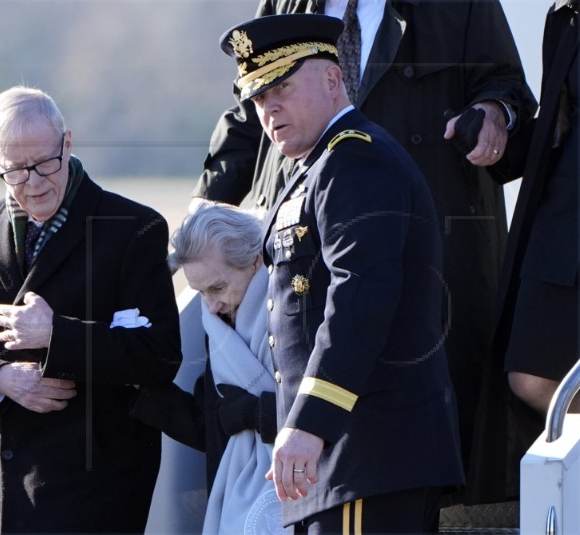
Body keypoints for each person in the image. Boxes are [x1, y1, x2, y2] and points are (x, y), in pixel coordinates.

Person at [193, 0, 537, 503]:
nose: (271, 101)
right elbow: (251, 109)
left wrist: (492, 115)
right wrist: (205, 209)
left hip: (428, 244)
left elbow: (508, 86)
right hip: (299, 248)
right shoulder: (289, 7)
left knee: (410, 425)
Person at [217, 14, 465, 532]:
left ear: (332, 79)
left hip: (368, 452)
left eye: (282, 87)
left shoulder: (353, 161)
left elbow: (362, 295)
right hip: (343, 460)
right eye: (259, 98)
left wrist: (310, 422)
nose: (270, 108)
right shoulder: (316, 167)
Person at [0, 86, 182, 534]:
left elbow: (159, 356)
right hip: (3, 500)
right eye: (16, 171)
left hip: (96, 499)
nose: (35, 181)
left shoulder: (134, 229)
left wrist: (56, 335)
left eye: (45, 163)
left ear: (67, 142)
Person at [470, 0, 580, 499]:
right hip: (562, 220)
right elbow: (561, 122)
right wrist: (499, 132)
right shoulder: (566, 14)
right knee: (531, 376)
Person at [132, 202, 288, 534]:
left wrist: (257, 412)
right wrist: (140, 389)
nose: (211, 305)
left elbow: (337, 414)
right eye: (201, 292)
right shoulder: (218, 322)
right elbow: (216, 426)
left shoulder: (297, 313)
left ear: (255, 261)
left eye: (217, 288)